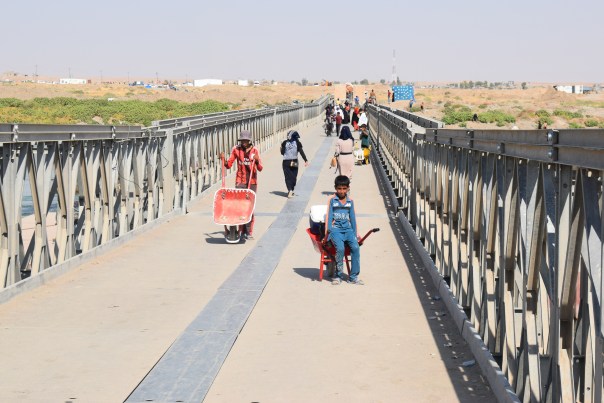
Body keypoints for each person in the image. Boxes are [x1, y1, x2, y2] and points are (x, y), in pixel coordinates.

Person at [220, 130, 263, 240]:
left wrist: (257, 160)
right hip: (240, 181)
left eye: (246, 140)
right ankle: (240, 230)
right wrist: (223, 160)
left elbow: (260, 168)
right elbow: (228, 165)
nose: (244, 142)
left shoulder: (254, 150)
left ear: (249, 141)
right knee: (239, 206)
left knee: (249, 207)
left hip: (252, 182)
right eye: (242, 140)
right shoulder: (236, 149)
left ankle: (248, 231)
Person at [325, 175, 362, 285]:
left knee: (355, 248)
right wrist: (328, 232)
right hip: (336, 230)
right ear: (335, 188)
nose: (342, 191)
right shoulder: (332, 200)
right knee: (340, 249)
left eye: (344, 188)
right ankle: (338, 276)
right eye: (339, 188)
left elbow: (353, 218)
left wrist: (355, 234)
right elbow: (329, 216)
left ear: (348, 188)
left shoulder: (350, 201)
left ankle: (353, 277)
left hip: (348, 230)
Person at [280, 130, 309, 198]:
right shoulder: (296, 143)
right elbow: (301, 152)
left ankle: (290, 190)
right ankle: (290, 190)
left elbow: (282, 153)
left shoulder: (285, 143)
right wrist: (305, 160)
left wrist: (281, 148)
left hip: (287, 162)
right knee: (292, 177)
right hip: (292, 162)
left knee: (289, 177)